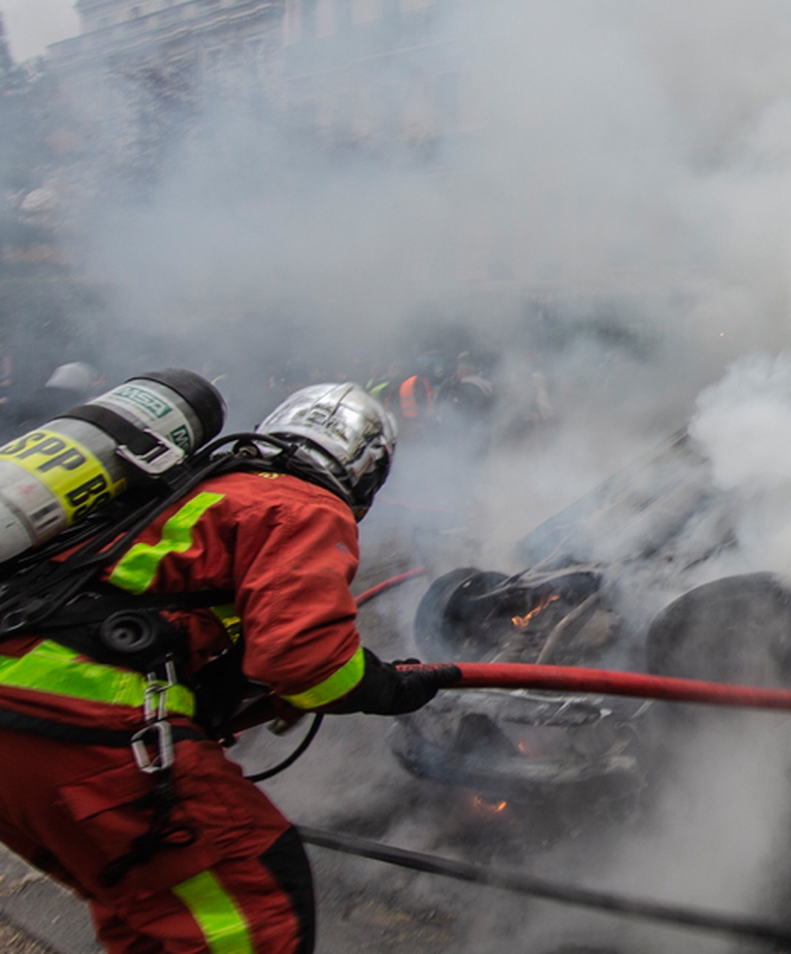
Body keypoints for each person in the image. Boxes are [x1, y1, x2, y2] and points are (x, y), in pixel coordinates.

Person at [0, 383, 460, 954]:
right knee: (253, 909)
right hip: (81, 724)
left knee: (157, 909)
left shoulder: (189, 487)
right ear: (366, 473)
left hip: (18, 728)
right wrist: (389, 687)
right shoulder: (306, 504)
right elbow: (307, 662)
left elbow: (154, 606)